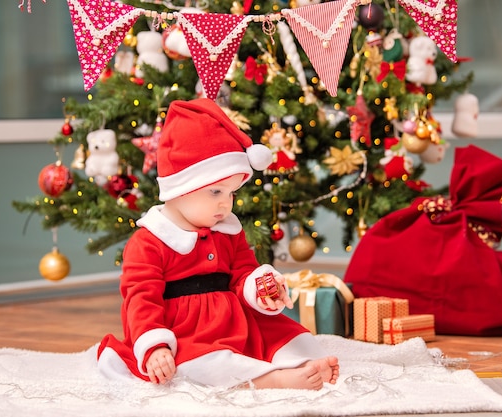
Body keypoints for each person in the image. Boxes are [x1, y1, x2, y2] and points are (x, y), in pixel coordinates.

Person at [97, 98, 339, 390]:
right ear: (181, 188)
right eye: (215, 191)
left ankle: (301, 363)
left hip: (234, 319)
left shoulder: (228, 231)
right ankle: (273, 379)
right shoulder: (150, 241)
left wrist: (260, 289)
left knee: (286, 336)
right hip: (185, 328)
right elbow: (141, 299)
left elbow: (243, 273)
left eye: (232, 193)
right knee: (202, 362)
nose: (226, 203)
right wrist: (155, 346)